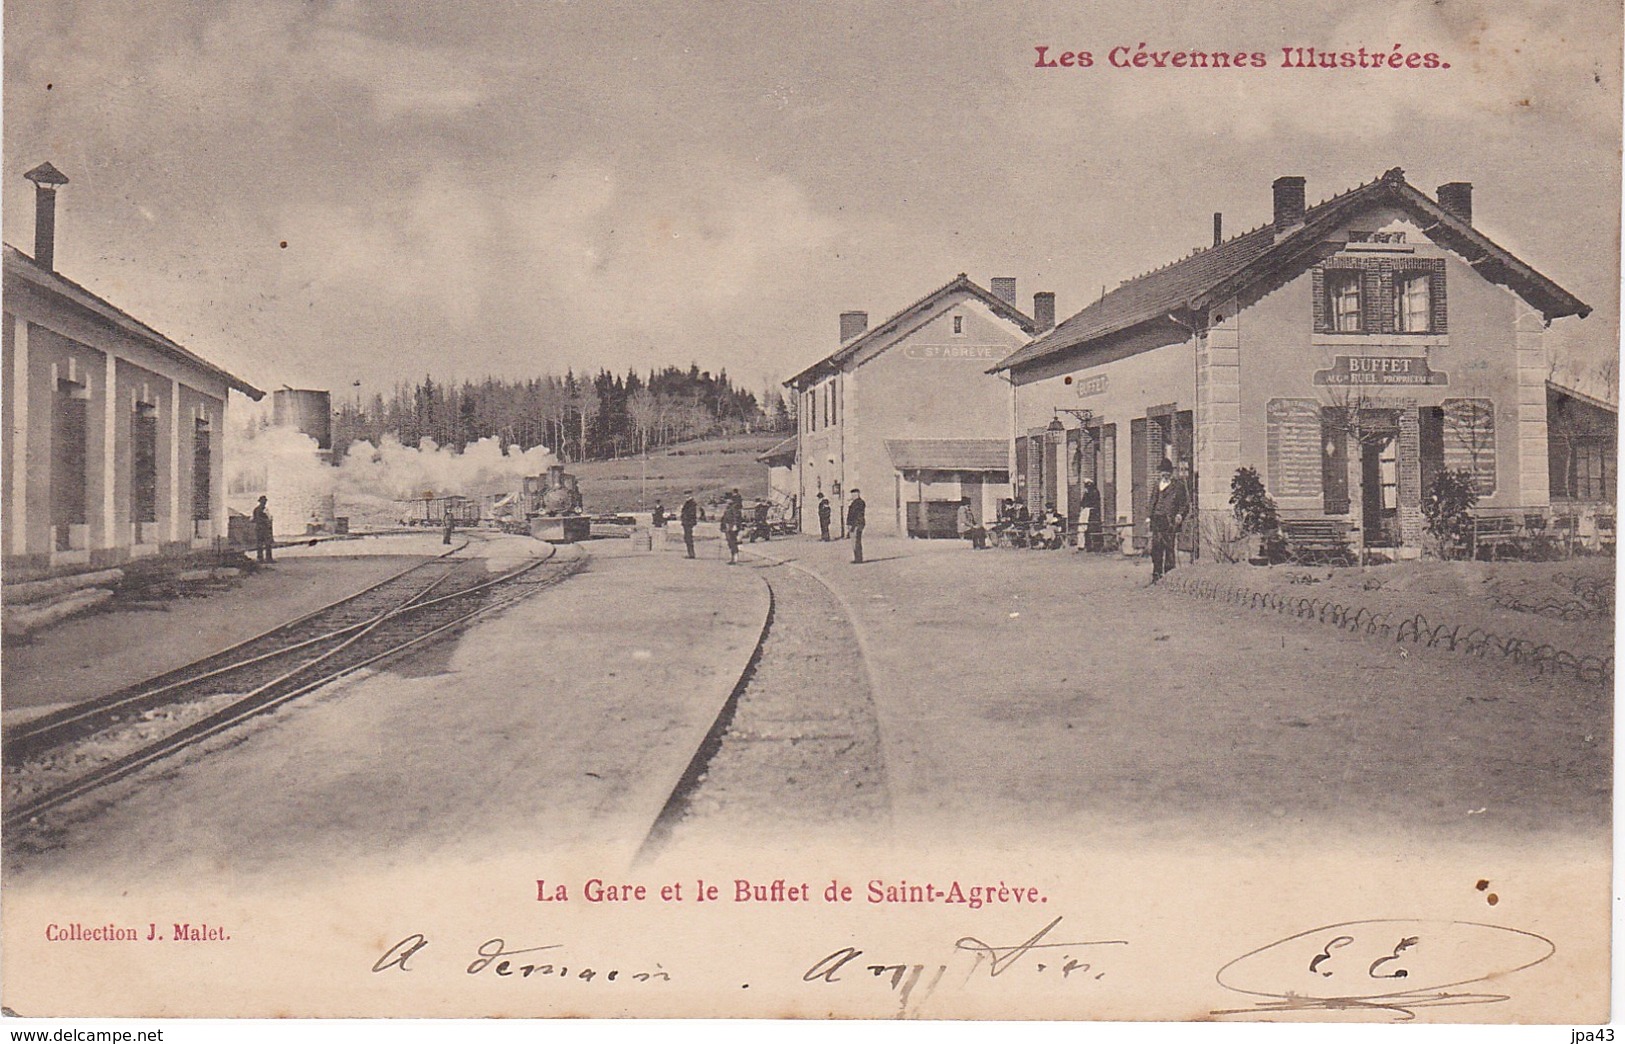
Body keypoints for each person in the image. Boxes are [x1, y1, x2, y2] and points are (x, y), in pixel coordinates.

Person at [1147, 458, 1189, 583]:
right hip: (1157, 520)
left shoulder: (1178, 486)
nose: (1165, 474)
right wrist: (1149, 516)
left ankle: (1170, 576)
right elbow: (1152, 502)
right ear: (1160, 473)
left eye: (1167, 472)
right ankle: (1156, 575)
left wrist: (1180, 515)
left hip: (1169, 521)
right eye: (1163, 472)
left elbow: (1185, 504)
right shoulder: (1156, 485)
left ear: (1171, 473)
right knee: (1156, 548)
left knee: (1169, 547)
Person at [1080, 479, 1103, 552]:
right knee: (1085, 528)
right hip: (1087, 513)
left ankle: (1096, 545)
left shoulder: (1094, 492)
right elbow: (1082, 503)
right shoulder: (1087, 492)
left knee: (1093, 528)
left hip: (1092, 513)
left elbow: (1091, 502)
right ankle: (1087, 545)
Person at [721, 491, 743, 564]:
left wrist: (735, 526)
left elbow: (736, 517)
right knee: (730, 542)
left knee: (732, 542)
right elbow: (725, 518)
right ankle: (733, 557)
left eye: (727, 499)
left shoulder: (734, 507)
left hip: (732, 526)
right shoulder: (729, 507)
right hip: (728, 527)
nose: (726, 501)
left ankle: (735, 558)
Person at [252, 495, 275, 563]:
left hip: (265, 529)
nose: (264, 503)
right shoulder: (258, 510)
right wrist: (265, 521)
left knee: (267, 544)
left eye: (265, 501)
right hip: (260, 528)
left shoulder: (265, 509)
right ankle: (261, 558)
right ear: (260, 502)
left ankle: (268, 558)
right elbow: (257, 519)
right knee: (261, 544)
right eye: (263, 501)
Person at [846, 488, 866, 564]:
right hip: (854, 524)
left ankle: (858, 559)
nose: (852, 496)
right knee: (854, 542)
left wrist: (852, 525)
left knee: (856, 541)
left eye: (853, 494)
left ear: (857, 494)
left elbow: (855, 515)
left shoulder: (859, 503)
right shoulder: (855, 502)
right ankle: (857, 558)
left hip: (857, 524)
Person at [679, 491, 698, 559]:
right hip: (687, 522)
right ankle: (690, 553)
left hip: (688, 522)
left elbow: (691, 513)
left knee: (688, 538)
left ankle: (691, 554)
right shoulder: (688, 503)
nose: (685, 496)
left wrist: (683, 513)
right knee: (687, 537)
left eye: (687, 495)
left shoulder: (691, 503)